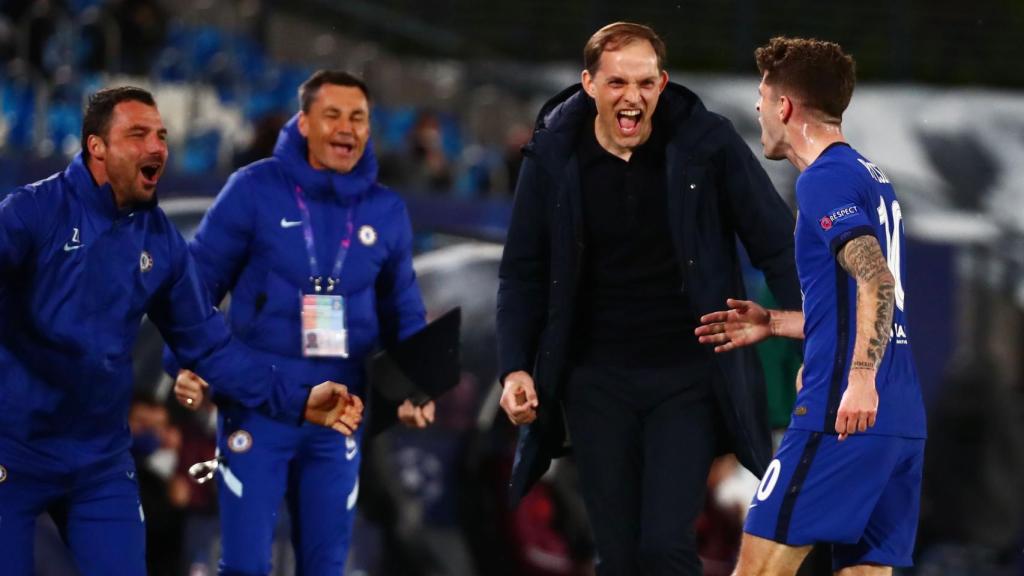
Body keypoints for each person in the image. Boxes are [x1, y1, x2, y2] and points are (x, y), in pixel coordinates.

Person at [0, 86, 362, 576]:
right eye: (138, 134)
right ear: (97, 147)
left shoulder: (162, 243)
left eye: (162, 136)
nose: (156, 147)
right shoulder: (32, 213)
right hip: (14, 451)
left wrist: (298, 400)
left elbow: (210, 345)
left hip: (98, 462)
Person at [496, 22, 802, 575]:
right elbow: (523, 272)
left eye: (644, 83)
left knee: (665, 546)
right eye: (617, 82)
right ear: (589, 84)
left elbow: (777, 245)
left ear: (662, 83)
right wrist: (515, 367)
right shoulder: (553, 154)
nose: (631, 97)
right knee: (618, 556)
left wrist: (816, 340)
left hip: (687, 378)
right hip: (594, 382)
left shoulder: (708, 144)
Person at [167, 70, 433, 576]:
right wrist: (185, 363)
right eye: (332, 115)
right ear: (305, 122)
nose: (347, 128)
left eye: (358, 118)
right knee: (245, 566)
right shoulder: (252, 190)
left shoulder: (386, 210)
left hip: (342, 410)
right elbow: (195, 285)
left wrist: (416, 385)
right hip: (257, 402)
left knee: (325, 566)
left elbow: (403, 308)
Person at [695, 37, 926, 575]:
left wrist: (859, 379)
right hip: (900, 418)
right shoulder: (870, 176)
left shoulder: (824, 179)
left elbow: (877, 280)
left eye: (762, 97)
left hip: (840, 412)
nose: (757, 109)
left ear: (784, 106)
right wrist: (775, 322)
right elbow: (860, 306)